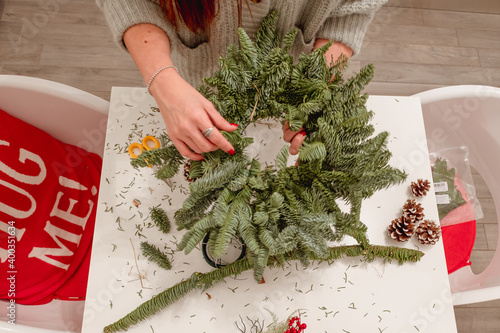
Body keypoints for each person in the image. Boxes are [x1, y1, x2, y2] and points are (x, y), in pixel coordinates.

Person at [97, 0, 387, 161]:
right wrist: (163, 83)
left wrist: (318, 84)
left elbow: (352, 8)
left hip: (287, 86)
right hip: (190, 86)